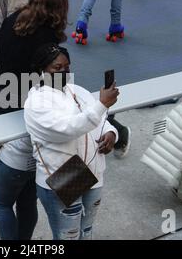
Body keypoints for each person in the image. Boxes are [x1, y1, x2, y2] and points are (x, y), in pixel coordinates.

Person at [0, 0, 68, 240]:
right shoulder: (49, 43)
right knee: (26, 201)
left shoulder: (12, 21)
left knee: (2, 202)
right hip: (31, 129)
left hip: (4, 114)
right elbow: (57, 89)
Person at [24, 43, 119, 240]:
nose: (64, 72)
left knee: (86, 231)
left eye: (67, 67)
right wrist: (102, 104)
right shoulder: (36, 103)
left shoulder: (77, 90)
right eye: (57, 68)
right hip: (62, 175)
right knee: (67, 237)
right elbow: (69, 128)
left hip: (91, 172)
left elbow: (101, 121)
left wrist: (111, 133)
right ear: (42, 69)